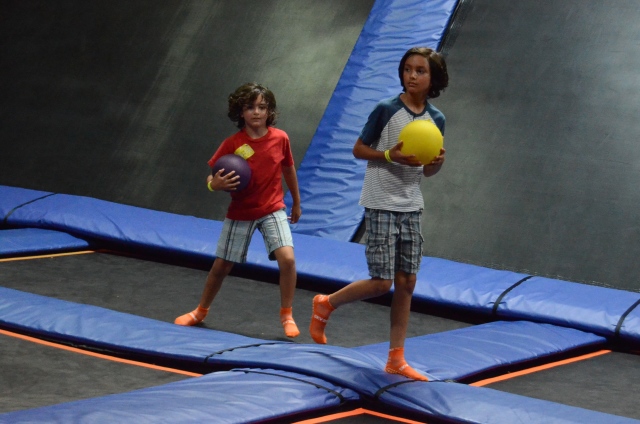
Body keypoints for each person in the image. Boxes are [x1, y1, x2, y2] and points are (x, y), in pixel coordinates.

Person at [309, 47, 449, 380]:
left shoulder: (437, 119)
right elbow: (358, 149)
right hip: (381, 200)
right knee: (382, 282)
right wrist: (388, 155)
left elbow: (427, 170)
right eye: (407, 69)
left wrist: (436, 164)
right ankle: (326, 303)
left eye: (420, 71)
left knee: (407, 281)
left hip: (411, 204)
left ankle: (396, 358)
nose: (412, 76)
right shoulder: (386, 109)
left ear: (433, 79)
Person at [175, 82, 302, 338]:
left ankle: (287, 314)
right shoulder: (233, 143)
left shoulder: (280, 138)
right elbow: (212, 176)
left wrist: (296, 203)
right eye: (250, 107)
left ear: (269, 111)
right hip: (241, 211)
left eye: (262, 107)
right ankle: (200, 311)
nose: (257, 112)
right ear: (240, 112)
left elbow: (288, 169)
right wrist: (214, 185)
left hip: (272, 208)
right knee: (221, 266)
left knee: (287, 259)